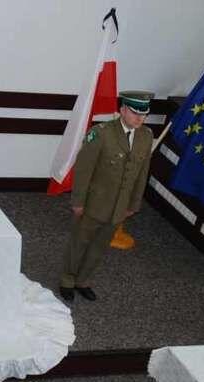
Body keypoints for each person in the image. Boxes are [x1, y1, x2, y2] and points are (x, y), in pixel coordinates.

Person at [59, 91, 155, 302]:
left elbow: (142, 173)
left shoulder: (146, 136)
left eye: (144, 114)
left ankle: (83, 281)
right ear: (123, 110)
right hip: (94, 203)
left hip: (119, 206)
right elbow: (83, 170)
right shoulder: (101, 134)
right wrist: (78, 201)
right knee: (79, 243)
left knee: (99, 246)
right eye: (135, 113)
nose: (140, 118)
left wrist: (133, 204)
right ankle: (67, 279)